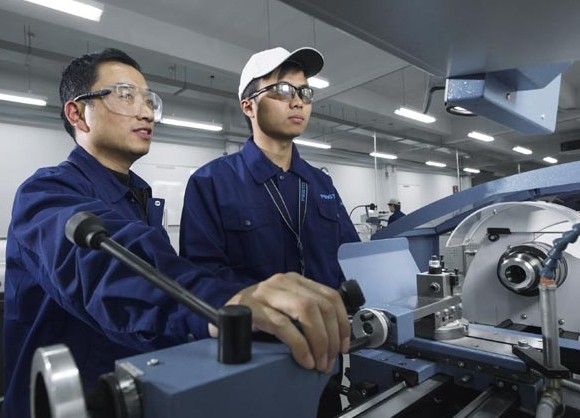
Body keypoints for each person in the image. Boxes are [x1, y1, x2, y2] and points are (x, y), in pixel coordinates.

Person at [3, 48, 350, 418]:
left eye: (149, 100)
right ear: (77, 114)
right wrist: (227, 303)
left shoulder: (139, 199)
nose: (146, 111)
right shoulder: (45, 194)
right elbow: (104, 268)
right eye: (125, 96)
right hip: (69, 404)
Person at [179, 46, 359, 293]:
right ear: (248, 106)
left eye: (304, 92)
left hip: (331, 327)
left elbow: (352, 257)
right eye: (282, 91)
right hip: (256, 329)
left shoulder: (321, 183)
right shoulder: (211, 182)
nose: (298, 102)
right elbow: (203, 275)